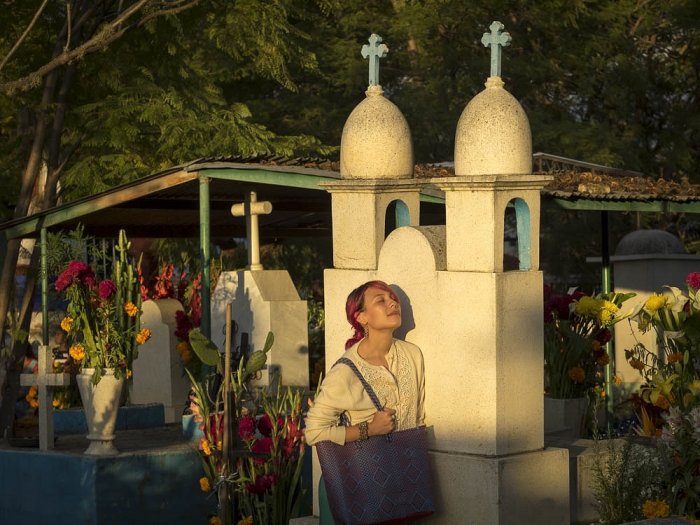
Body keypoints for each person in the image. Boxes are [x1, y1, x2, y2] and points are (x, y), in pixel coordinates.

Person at [304, 280, 426, 523]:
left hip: (404, 485)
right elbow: (313, 432)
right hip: (361, 486)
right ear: (361, 317)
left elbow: (418, 417)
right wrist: (368, 429)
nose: (393, 302)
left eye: (393, 298)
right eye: (381, 300)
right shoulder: (345, 372)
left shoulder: (412, 355)